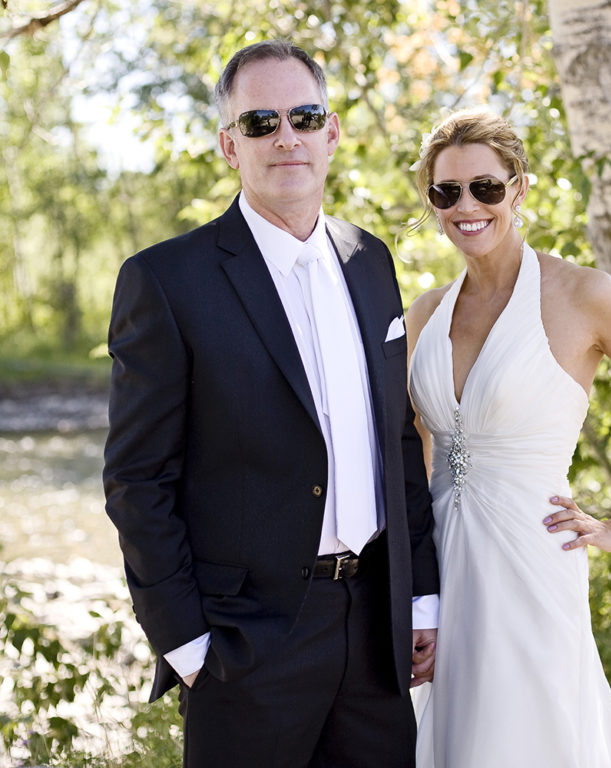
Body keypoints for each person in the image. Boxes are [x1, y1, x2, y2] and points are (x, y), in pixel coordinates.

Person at [103, 40, 440, 768]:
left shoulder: (370, 259)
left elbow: (398, 441)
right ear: (229, 144)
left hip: (375, 632)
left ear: (332, 131)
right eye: (261, 123)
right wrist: (186, 642)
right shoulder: (167, 281)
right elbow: (137, 479)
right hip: (244, 644)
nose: (286, 137)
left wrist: (421, 599)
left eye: (304, 116)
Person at [405, 108, 611, 767]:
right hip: (440, 572)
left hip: (532, 565)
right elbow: (413, 452)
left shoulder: (584, 295)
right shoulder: (424, 314)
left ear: (518, 187)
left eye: (486, 187)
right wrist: (411, 586)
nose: (467, 206)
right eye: (447, 192)